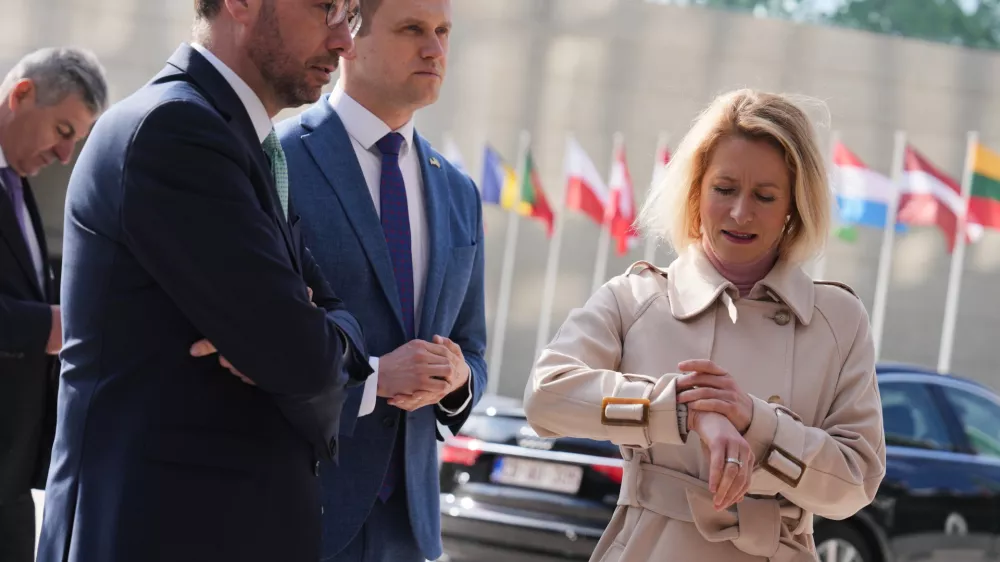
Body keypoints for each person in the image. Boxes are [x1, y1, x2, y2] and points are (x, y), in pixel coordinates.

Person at [36, 2, 373, 562]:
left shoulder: (241, 143)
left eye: (353, 14)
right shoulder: (176, 130)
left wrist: (306, 334)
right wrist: (301, 338)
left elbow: (327, 331)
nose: (345, 41)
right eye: (327, 7)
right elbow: (304, 358)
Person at [523, 89, 886, 562]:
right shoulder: (635, 299)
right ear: (696, 191)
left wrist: (756, 423)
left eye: (765, 196)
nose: (741, 212)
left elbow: (856, 482)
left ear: (794, 205)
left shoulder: (838, 320)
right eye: (724, 189)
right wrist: (681, 410)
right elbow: (545, 397)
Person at [276, 0, 486, 560]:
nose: (435, 50)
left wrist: (457, 380)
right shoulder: (277, 160)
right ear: (350, 38)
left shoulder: (458, 191)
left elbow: (473, 348)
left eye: (443, 31)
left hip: (410, 527)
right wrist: (371, 381)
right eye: (412, 29)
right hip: (299, 508)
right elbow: (257, 344)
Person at [0, 46, 107, 562]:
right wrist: (46, 325)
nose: (66, 156)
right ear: (21, 94)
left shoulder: (17, 187)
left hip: (12, 477)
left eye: (77, 141)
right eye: (63, 131)